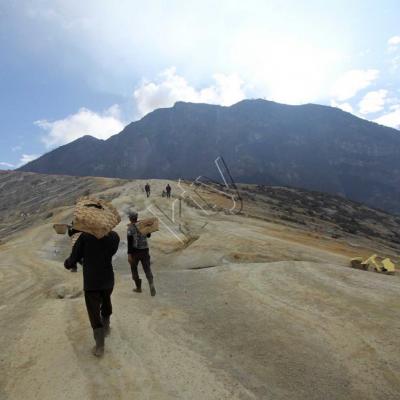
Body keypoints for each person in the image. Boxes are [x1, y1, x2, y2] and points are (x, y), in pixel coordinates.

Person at [64, 230, 120, 357]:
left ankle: (100, 345)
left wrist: (67, 264)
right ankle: (106, 328)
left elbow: (74, 259)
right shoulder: (113, 236)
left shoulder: (85, 237)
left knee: (94, 312)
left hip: (92, 282)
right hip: (108, 279)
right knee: (106, 301)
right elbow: (112, 250)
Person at [127, 211, 156, 296]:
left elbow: (129, 242)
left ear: (130, 219)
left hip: (135, 252)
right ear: (136, 217)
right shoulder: (143, 225)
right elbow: (149, 235)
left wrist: (129, 255)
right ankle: (151, 285)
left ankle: (138, 288)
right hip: (145, 250)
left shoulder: (130, 228)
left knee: (133, 268)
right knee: (147, 268)